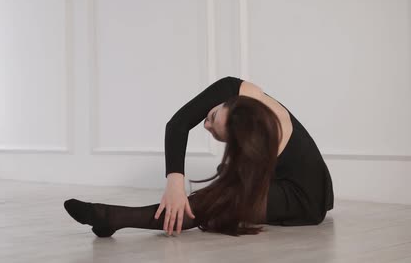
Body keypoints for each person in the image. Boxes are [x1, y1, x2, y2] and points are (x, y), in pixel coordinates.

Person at [64, 76, 334, 237]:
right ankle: (108, 219)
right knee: (208, 200)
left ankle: (110, 217)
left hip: (302, 194)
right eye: (212, 117)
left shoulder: (266, 137)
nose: (205, 125)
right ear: (228, 100)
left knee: (208, 203)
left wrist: (208, 199)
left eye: (216, 134)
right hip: (274, 175)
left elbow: (235, 187)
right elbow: (178, 124)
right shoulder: (233, 87)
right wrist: (174, 183)